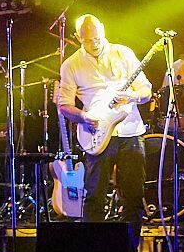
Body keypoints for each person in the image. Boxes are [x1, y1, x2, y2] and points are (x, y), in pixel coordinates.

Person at [56, 14, 153, 227]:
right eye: (89, 40)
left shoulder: (123, 53)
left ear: (103, 30)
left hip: (130, 133)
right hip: (97, 135)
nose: (95, 43)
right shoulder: (71, 64)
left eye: (98, 37)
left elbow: (146, 90)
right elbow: (63, 105)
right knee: (94, 197)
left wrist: (132, 96)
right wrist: (83, 116)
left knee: (134, 197)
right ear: (77, 37)